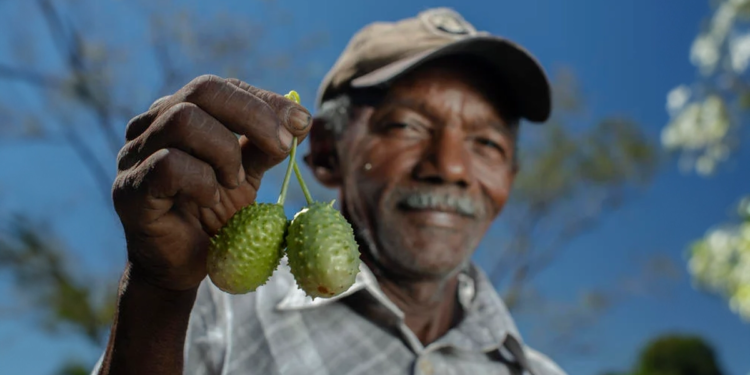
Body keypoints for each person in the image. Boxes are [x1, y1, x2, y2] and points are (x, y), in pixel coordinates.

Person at [93, 7, 567, 375]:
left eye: (486, 143)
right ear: (323, 152)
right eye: (405, 125)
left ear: (510, 178)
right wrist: (158, 294)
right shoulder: (205, 310)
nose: (450, 167)